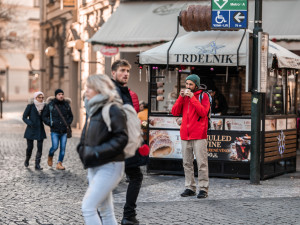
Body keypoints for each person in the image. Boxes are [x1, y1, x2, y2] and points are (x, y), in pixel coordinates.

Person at [77, 74, 127, 225]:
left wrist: (98, 151)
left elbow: (122, 138)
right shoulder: (93, 109)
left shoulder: (113, 109)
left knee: (88, 207)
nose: (86, 91)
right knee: (106, 211)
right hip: (94, 164)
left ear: (99, 89)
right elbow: (86, 136)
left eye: (90, 88)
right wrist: (82, 149)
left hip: (110, 165)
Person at [111, 59, 143, 225]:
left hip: (126, 143)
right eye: (122, 70)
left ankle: (128, 216)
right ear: (113, 73)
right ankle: (128, 215)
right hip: (119, 144)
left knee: (134, 176)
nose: (126, 74)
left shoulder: (123, 91)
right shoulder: (113, 92)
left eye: (128, 71)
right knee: (133, 177)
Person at [171, 74, 210, 199]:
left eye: (190, 84)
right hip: (185, 135)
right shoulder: (184, 97)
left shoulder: (203, 96)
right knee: (187, 163)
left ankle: (203, 188)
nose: (188, 87)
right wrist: (180, 98)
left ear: (196, 85)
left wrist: (193, 98)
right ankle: (190, 187)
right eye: (186, 84)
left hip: (199, 135)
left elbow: (203, 112)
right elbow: (175, 112)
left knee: (201, 163)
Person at [42, 89, 73, 170]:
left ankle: (59, 163)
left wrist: (67, 122)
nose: (61, 96)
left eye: (62, 94)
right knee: (55, 146)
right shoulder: (50, 105)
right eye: (59, 94)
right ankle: (50, 155)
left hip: (64, 131)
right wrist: (50, 123)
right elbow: (44, 116)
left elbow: (71, 116)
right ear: (56, 95)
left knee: (62, 148)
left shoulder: (66, 105)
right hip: (54, 131)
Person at [22, 91, 47, 170]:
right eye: (39, 97)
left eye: (42, 97)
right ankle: (27, 159)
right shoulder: (30, 106)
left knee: (40, 147)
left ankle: (37, 164)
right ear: (35, 98)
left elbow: (45, 117)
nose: (41, 99)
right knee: (30, 147)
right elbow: (24, 117)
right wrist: (30, 123)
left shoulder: (44, 106)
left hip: (40, 129)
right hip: (31, 129)